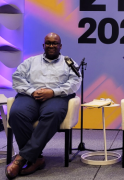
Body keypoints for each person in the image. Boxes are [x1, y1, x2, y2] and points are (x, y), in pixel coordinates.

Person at [6, 32, 81, 179]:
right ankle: (37, 157)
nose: (51, 46)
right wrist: (33, 91)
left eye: (54, 43)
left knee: (53, 114)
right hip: (31, 95)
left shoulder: (69, 62)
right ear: (43, 45)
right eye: (48, 43)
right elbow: (17, 78)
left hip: (56, 96)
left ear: (60, 46)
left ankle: (22, 158)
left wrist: (53, 92)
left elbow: (75, 82)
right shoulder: (30, 61)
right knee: (16, 114)